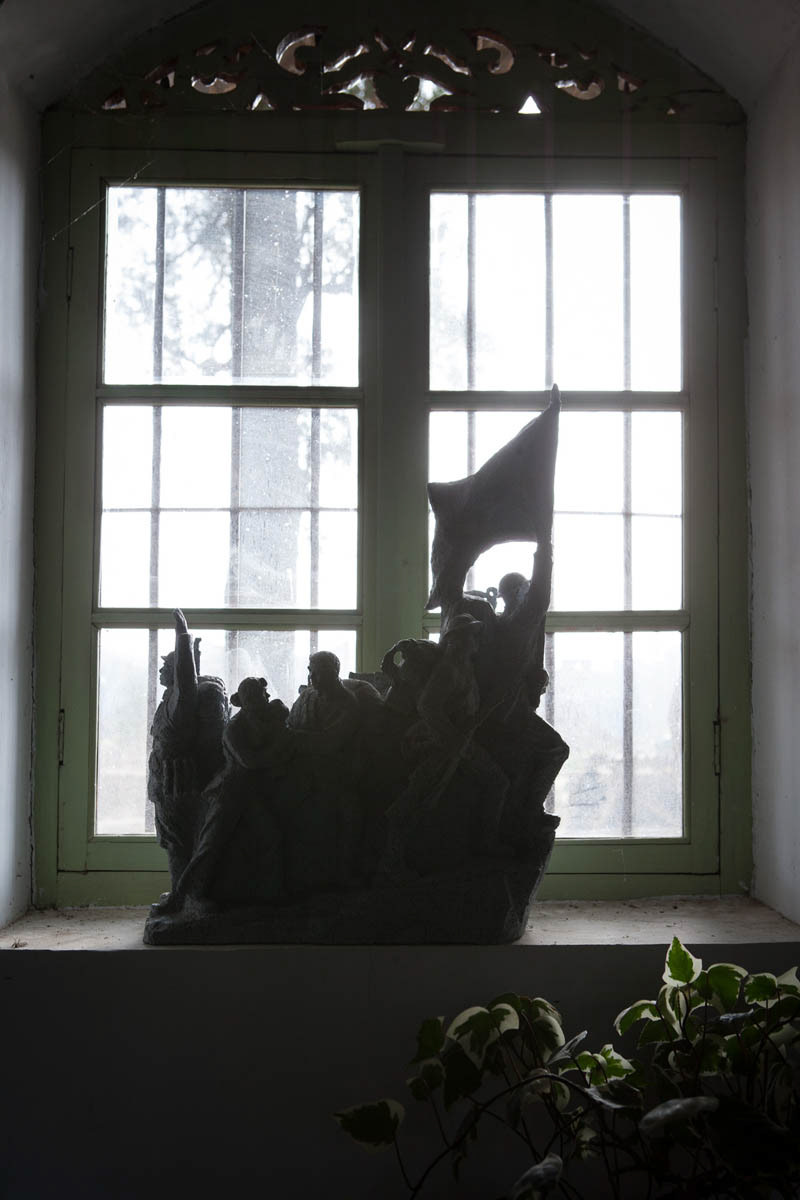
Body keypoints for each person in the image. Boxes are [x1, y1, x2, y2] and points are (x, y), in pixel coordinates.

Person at [160, 676, 289, 913]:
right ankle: (189, 893)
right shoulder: (234, 728)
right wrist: (278, 751)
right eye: (253, 697)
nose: (261, 700)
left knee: (271, 836)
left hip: (251, 792)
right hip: (229, 791)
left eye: (262, 695)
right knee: (210, 844)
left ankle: (271, 892)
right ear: (244, 702)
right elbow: (249, 761)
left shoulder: (265, 719)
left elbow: (281, 723)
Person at [147, 609, 228, 892]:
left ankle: (182, 895)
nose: (161, 670)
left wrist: (183, 637)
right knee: (174, 839)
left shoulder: (181, 703)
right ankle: (181, 893)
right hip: (165, 778)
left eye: (167, 665)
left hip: (176, 779)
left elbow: (186, 681)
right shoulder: (170, 699)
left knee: (178, 840)